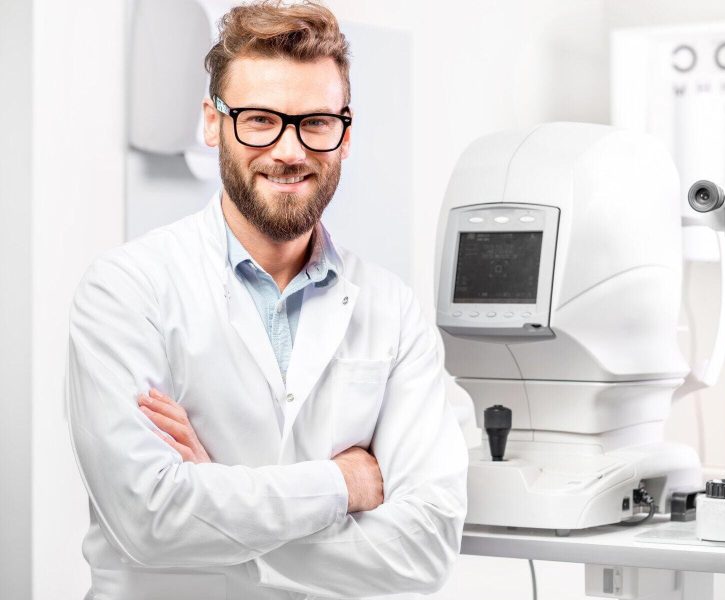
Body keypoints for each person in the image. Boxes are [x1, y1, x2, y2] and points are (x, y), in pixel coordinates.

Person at [65, 2, 467, 598]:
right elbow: (149, 519)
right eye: (259, 120)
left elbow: (425, 548)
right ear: (212, 122)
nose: (290, 150)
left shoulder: (393, 311)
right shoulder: (126, 291)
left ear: (346, 134)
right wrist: (344, 485)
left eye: (317, 122)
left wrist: (216, 501)